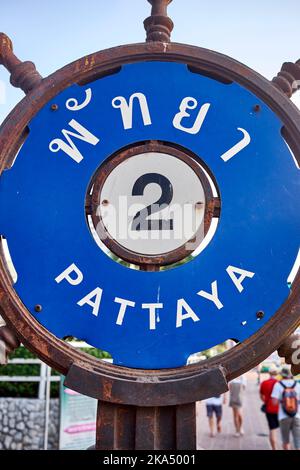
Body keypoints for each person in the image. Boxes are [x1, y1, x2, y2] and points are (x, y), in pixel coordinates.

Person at [271, 365, 300, 450]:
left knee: (285, 441)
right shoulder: (297, 385)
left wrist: (283, 400)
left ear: (282, 375)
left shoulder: (278, 385)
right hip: (297, 416)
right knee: (298, 442)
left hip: (283, 417)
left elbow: (274, 402)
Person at [260, 365, 279, 450]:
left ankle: (274, 448)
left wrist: (265, 401)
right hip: (280, 409)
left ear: (269, 373)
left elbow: (261, 396)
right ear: (277, 373)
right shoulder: (279, 383)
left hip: (269, 408)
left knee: (272, 429)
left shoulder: (264, 383)